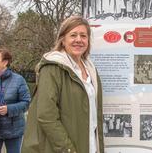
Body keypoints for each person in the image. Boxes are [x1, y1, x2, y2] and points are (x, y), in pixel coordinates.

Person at [21, 16, 104, 153]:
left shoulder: (90, 70)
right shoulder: (52, 68)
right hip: (62, 149)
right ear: (63, 40)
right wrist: (68, 149)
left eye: (83, 36)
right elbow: (46, 115)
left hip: (89, 146)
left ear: (88, 41)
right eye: (73, 35)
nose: (79, 40)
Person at [0, 48, 31, 153]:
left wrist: (9, 109)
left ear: (5, 62)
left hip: (13, 130)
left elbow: (26, 102)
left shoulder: (18, 80)